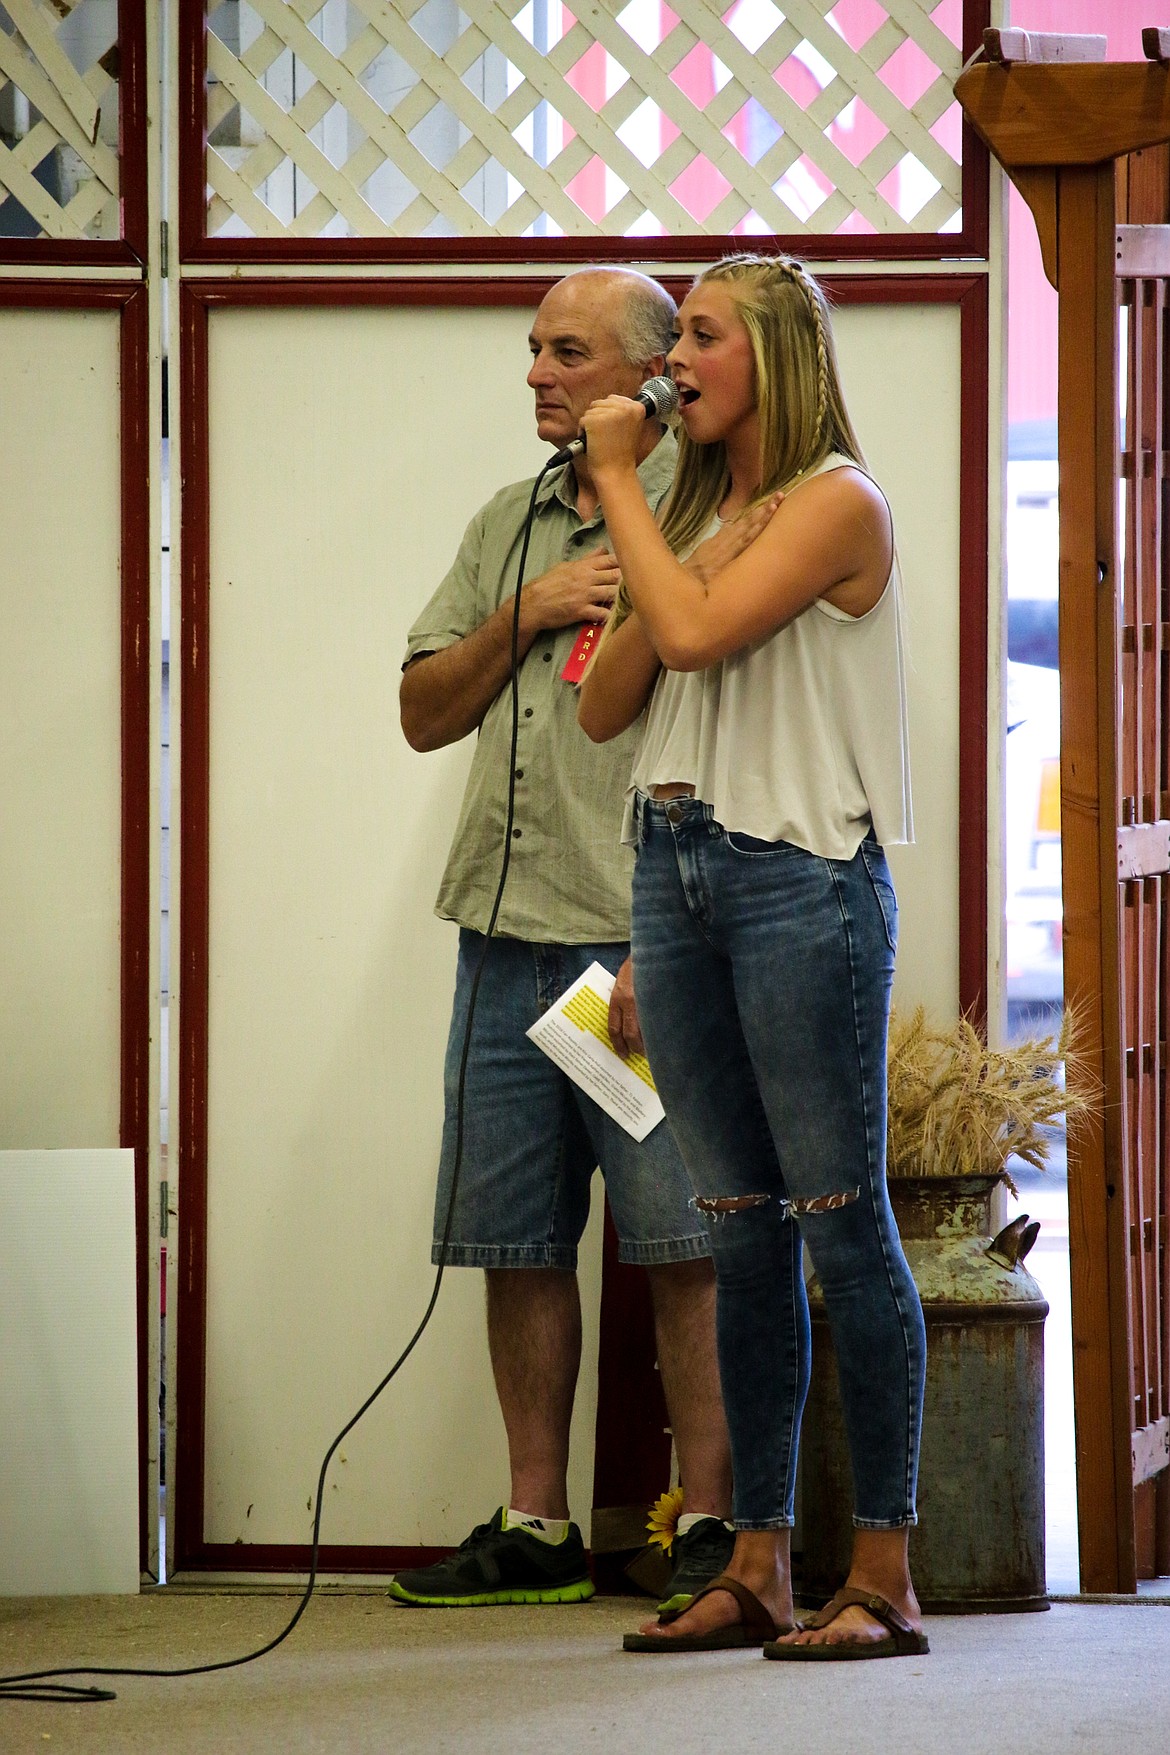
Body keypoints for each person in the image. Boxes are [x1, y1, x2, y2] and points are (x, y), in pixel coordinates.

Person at [390, 267, 768, 1612]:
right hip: (501, 937)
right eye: (533, 350)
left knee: (682, 1243)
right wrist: (529, 612)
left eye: (564, 352)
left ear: (650, 375)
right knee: (511, 1239)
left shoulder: (714, 512)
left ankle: (710, 1525)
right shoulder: (510, 524)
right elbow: (423, 712)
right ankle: (536, 1525)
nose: (536, 374)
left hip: (645, 944)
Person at [576, 252, 929, 1659]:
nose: (671, 361)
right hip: (675, 868)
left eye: (700, 337)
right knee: (736, 1235)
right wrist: (647, 497)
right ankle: (761, 1563)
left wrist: (621, 490)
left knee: (840, 1223)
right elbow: (611, 701)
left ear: (770, 357)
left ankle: (885, 1576)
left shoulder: (837, 500)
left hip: (798, 878)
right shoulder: (691, 511)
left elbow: (694, 629)